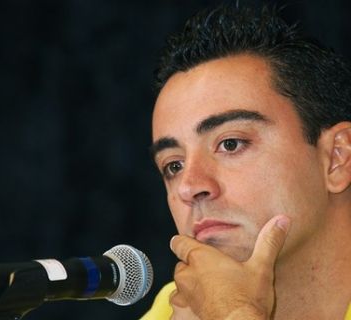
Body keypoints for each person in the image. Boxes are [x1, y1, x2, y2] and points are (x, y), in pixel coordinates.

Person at [141, 4, 351, 320]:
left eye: (230, 144)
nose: (190, 186)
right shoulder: (171, 311)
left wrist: (233, 312)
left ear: (337, 157)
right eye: (173, 165)